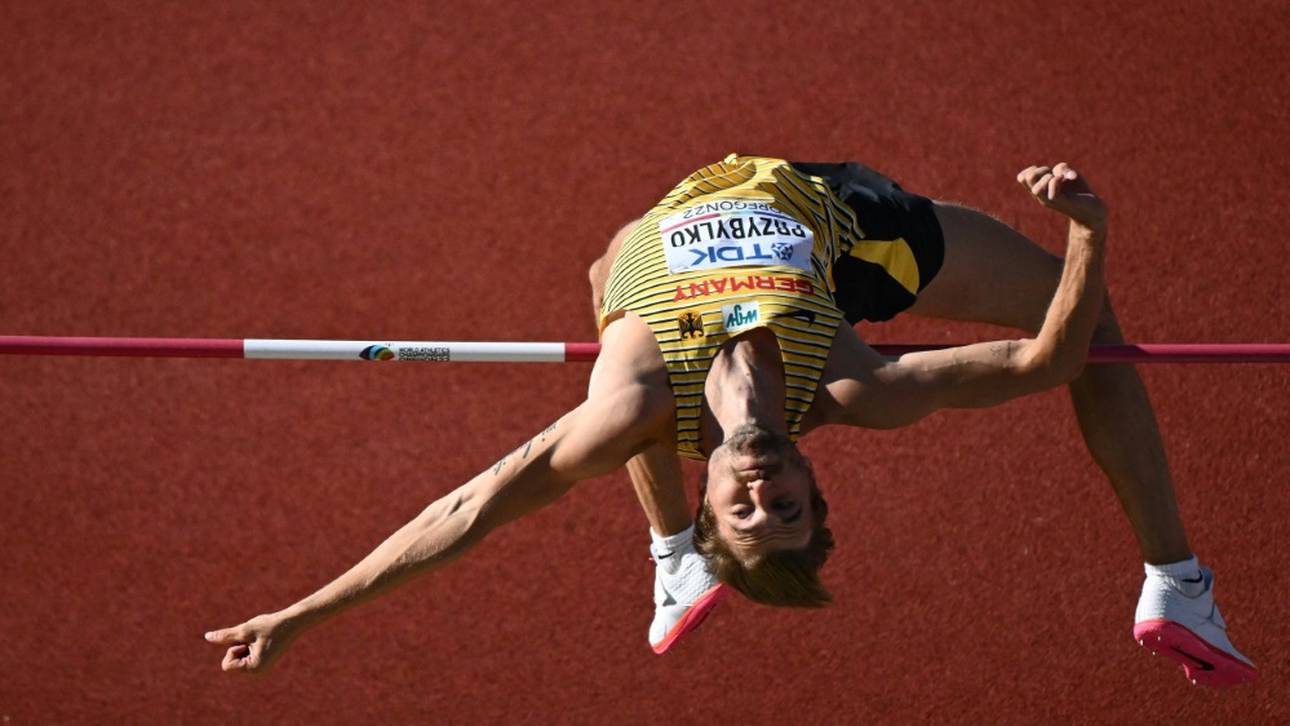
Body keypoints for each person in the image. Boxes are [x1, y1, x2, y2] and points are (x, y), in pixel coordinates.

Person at [206, 155, 1254, 688]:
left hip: (664, 227)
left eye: (746, 514)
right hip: (837, 220)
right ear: (810, 476)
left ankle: (669, 555)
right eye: (787, 507)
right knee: (1100, 328)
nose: (764, 494)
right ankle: (1175, 580)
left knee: (606, 276)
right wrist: (1085, 233)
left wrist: (298, 618)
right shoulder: (850, 387)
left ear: (710, 492)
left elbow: (469, 510)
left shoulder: (638, 407)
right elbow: (1049, 358)